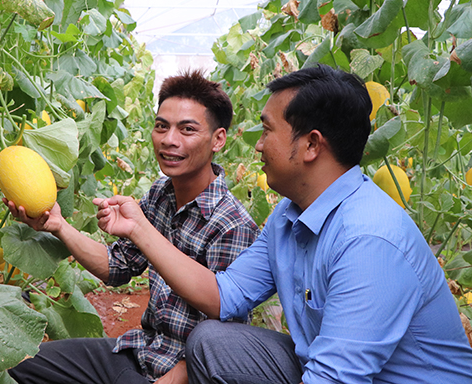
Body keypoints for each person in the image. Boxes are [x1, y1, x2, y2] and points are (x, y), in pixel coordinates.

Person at [95, 64, 472, 384]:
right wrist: (139, 229)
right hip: (323, 369)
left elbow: (334, 379)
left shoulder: (369, 240)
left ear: (311, 145)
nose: (258, 146)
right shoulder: (290, 215)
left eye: (267, 130)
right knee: (212, 340)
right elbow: (224, 296)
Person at [5, 71, 259, 383]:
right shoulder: (160, 195)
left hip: (185, 373)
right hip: (143, 351)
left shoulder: (232, 223)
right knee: (23, 364)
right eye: (161, 126)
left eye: (187, 129)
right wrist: (58, 226)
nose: (169, 140)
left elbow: (225, 335)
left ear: (218, 139)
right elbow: (116, 267)